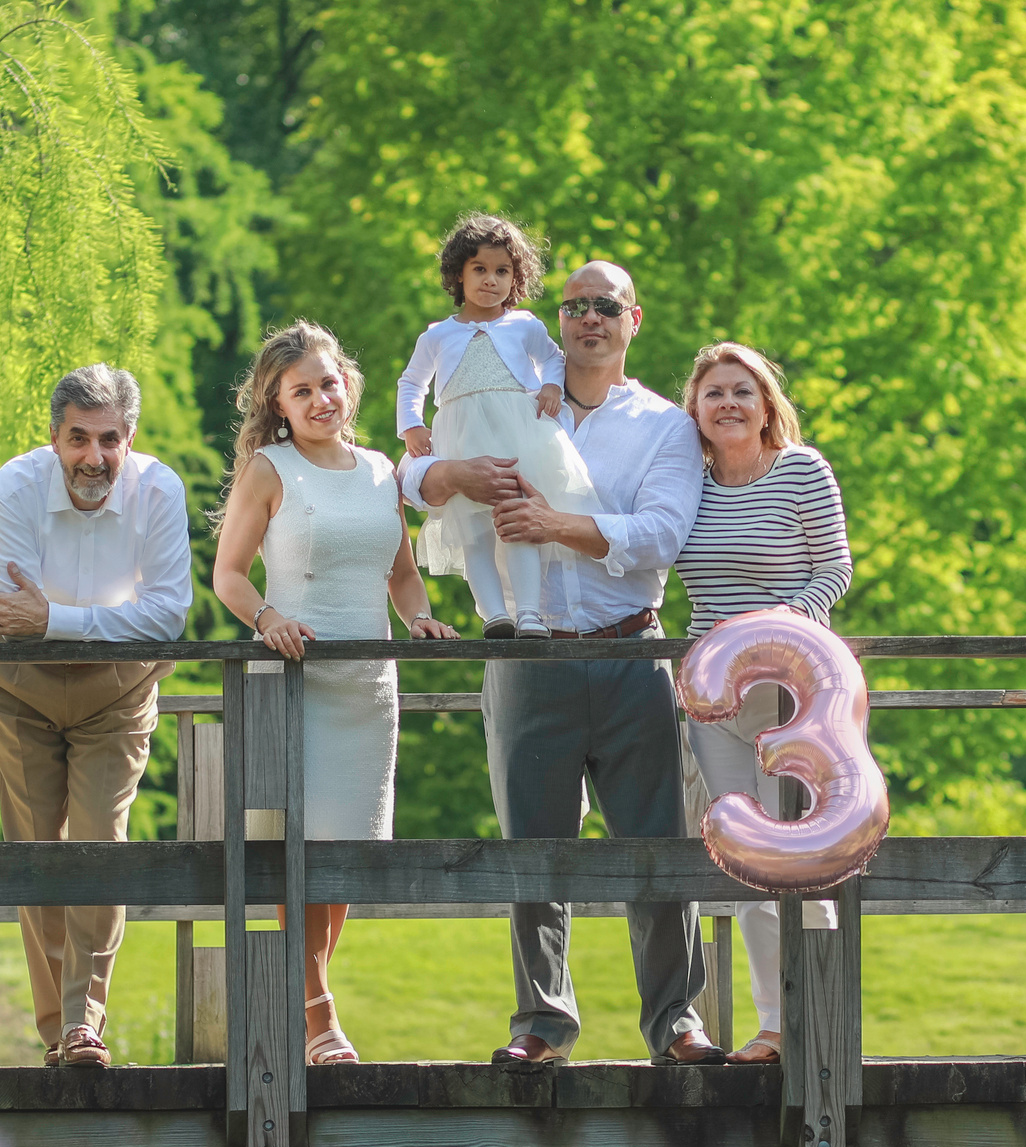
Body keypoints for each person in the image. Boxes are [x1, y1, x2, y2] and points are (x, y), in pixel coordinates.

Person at [404, 260, 726, 1067]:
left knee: (655, 843)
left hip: (629, 650)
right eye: (576, 305)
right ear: (557, 319)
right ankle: (541, 1023)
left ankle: (676, 1021)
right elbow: (405, 477)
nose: (589, 318)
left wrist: (553, 522)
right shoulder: (502, 389)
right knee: (532, 848)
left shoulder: (663, 424)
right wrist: (441, 471)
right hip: (525, 658)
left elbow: (657, 536)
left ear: (633, 319)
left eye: (605, 306)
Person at [213, 321, 461, 1063]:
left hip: (366, 688)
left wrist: (419, 621)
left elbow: (403, 576)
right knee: (298, 849)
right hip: (296, 679)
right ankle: (318, 1015)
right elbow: (228, 574)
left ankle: (304, 993)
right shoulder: (269, 469)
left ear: (347, 384)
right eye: (302, 391)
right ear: (277, 403)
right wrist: (268, 617)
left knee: (346, 853)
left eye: (328, 383)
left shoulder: (383, 470)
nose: (320, 399)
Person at [0, 363, 193, 1069]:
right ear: (53, 437)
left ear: (130, 438)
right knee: (36, 849)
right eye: (78, 439)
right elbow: (13, 616)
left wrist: (58, 617)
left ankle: (82, 1023)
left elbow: (169, 611)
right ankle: (55, 1030)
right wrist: (89, 621)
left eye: (109, 440)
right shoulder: (13, 486)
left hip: (117, 687)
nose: (93, 458)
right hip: (20, 681)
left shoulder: (160, 490)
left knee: (101, 841)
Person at [673, 341, 855, 1065]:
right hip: (715, 699)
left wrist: (787, 625)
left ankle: (824, 1014)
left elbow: (834, 567)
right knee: (746, 857)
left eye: (742, 391)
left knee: (804, 854)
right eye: (714, 392)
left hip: (796, 690)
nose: (728, 404)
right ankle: (776, 1025)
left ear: (765, 403)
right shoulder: (686, 482)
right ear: (695, 408)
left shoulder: (802, 471)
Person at [397, 213, 597, 640]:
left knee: (518, 522)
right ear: (458, 275)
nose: (491, 280)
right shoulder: (436, 336)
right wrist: (411, 425)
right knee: (474, 534)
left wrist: (550, 387)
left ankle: (528, 613)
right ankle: (494, 616)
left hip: (516, 434)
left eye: (502, 271)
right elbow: (412, 381)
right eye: (480, 270)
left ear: (516, 277)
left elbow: (552, 358)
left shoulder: (524, 325)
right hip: (461, 441)